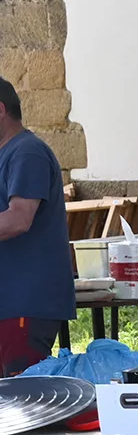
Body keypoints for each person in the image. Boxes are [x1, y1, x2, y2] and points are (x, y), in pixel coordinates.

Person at [0, 75, 73, 376]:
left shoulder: (27, 152)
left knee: (20, 396)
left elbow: (19, 219)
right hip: (10, 303)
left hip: (24, 304)